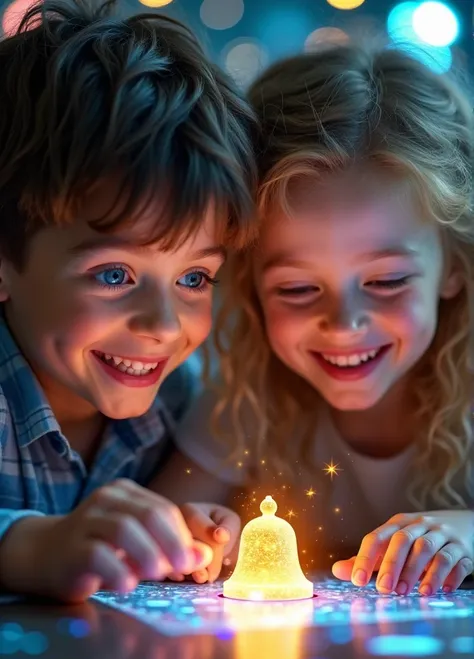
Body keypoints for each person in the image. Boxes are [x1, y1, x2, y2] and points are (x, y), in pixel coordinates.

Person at [155, 43, 474, 596]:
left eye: (387, 280)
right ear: (249, 285)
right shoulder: (244, 402)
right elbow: (157, 521)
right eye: (298, 288)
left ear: (455, 265)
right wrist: (189, 531)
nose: (344, 322)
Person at [0, 0, 256, 602]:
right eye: (114, 274)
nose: (164, 328)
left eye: (194, 278)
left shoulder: (178, 401)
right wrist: (33, 546)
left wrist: (174, 533)